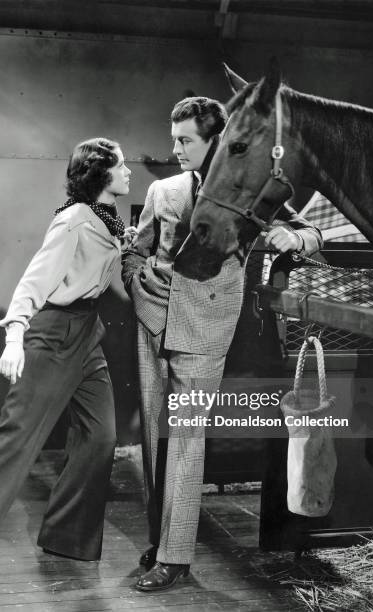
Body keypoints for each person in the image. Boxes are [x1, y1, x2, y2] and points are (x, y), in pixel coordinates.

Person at [121, 96, 323, 592]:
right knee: (154, 442)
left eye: (186, 140)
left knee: (186, 441)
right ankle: (160, 539)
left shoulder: (248, 192)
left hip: (206, 329)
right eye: (174, 139)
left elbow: (315, 230)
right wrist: (134, 279)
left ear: (213, 141)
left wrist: (295, 241)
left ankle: (176, 557)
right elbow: (136, 248)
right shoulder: (163, 190)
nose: (176, 149)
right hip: (153, 323)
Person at [0, 137, 133, 582]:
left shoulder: (106, 216)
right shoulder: (73, 221)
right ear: (101, 174)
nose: (129, 172)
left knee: (100, 436)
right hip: (53, 333)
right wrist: (15, 336)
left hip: (87, 333)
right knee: (14, 437)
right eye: (122, 166)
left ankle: (66, 537)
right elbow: (33, 281)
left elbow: (108, 257)